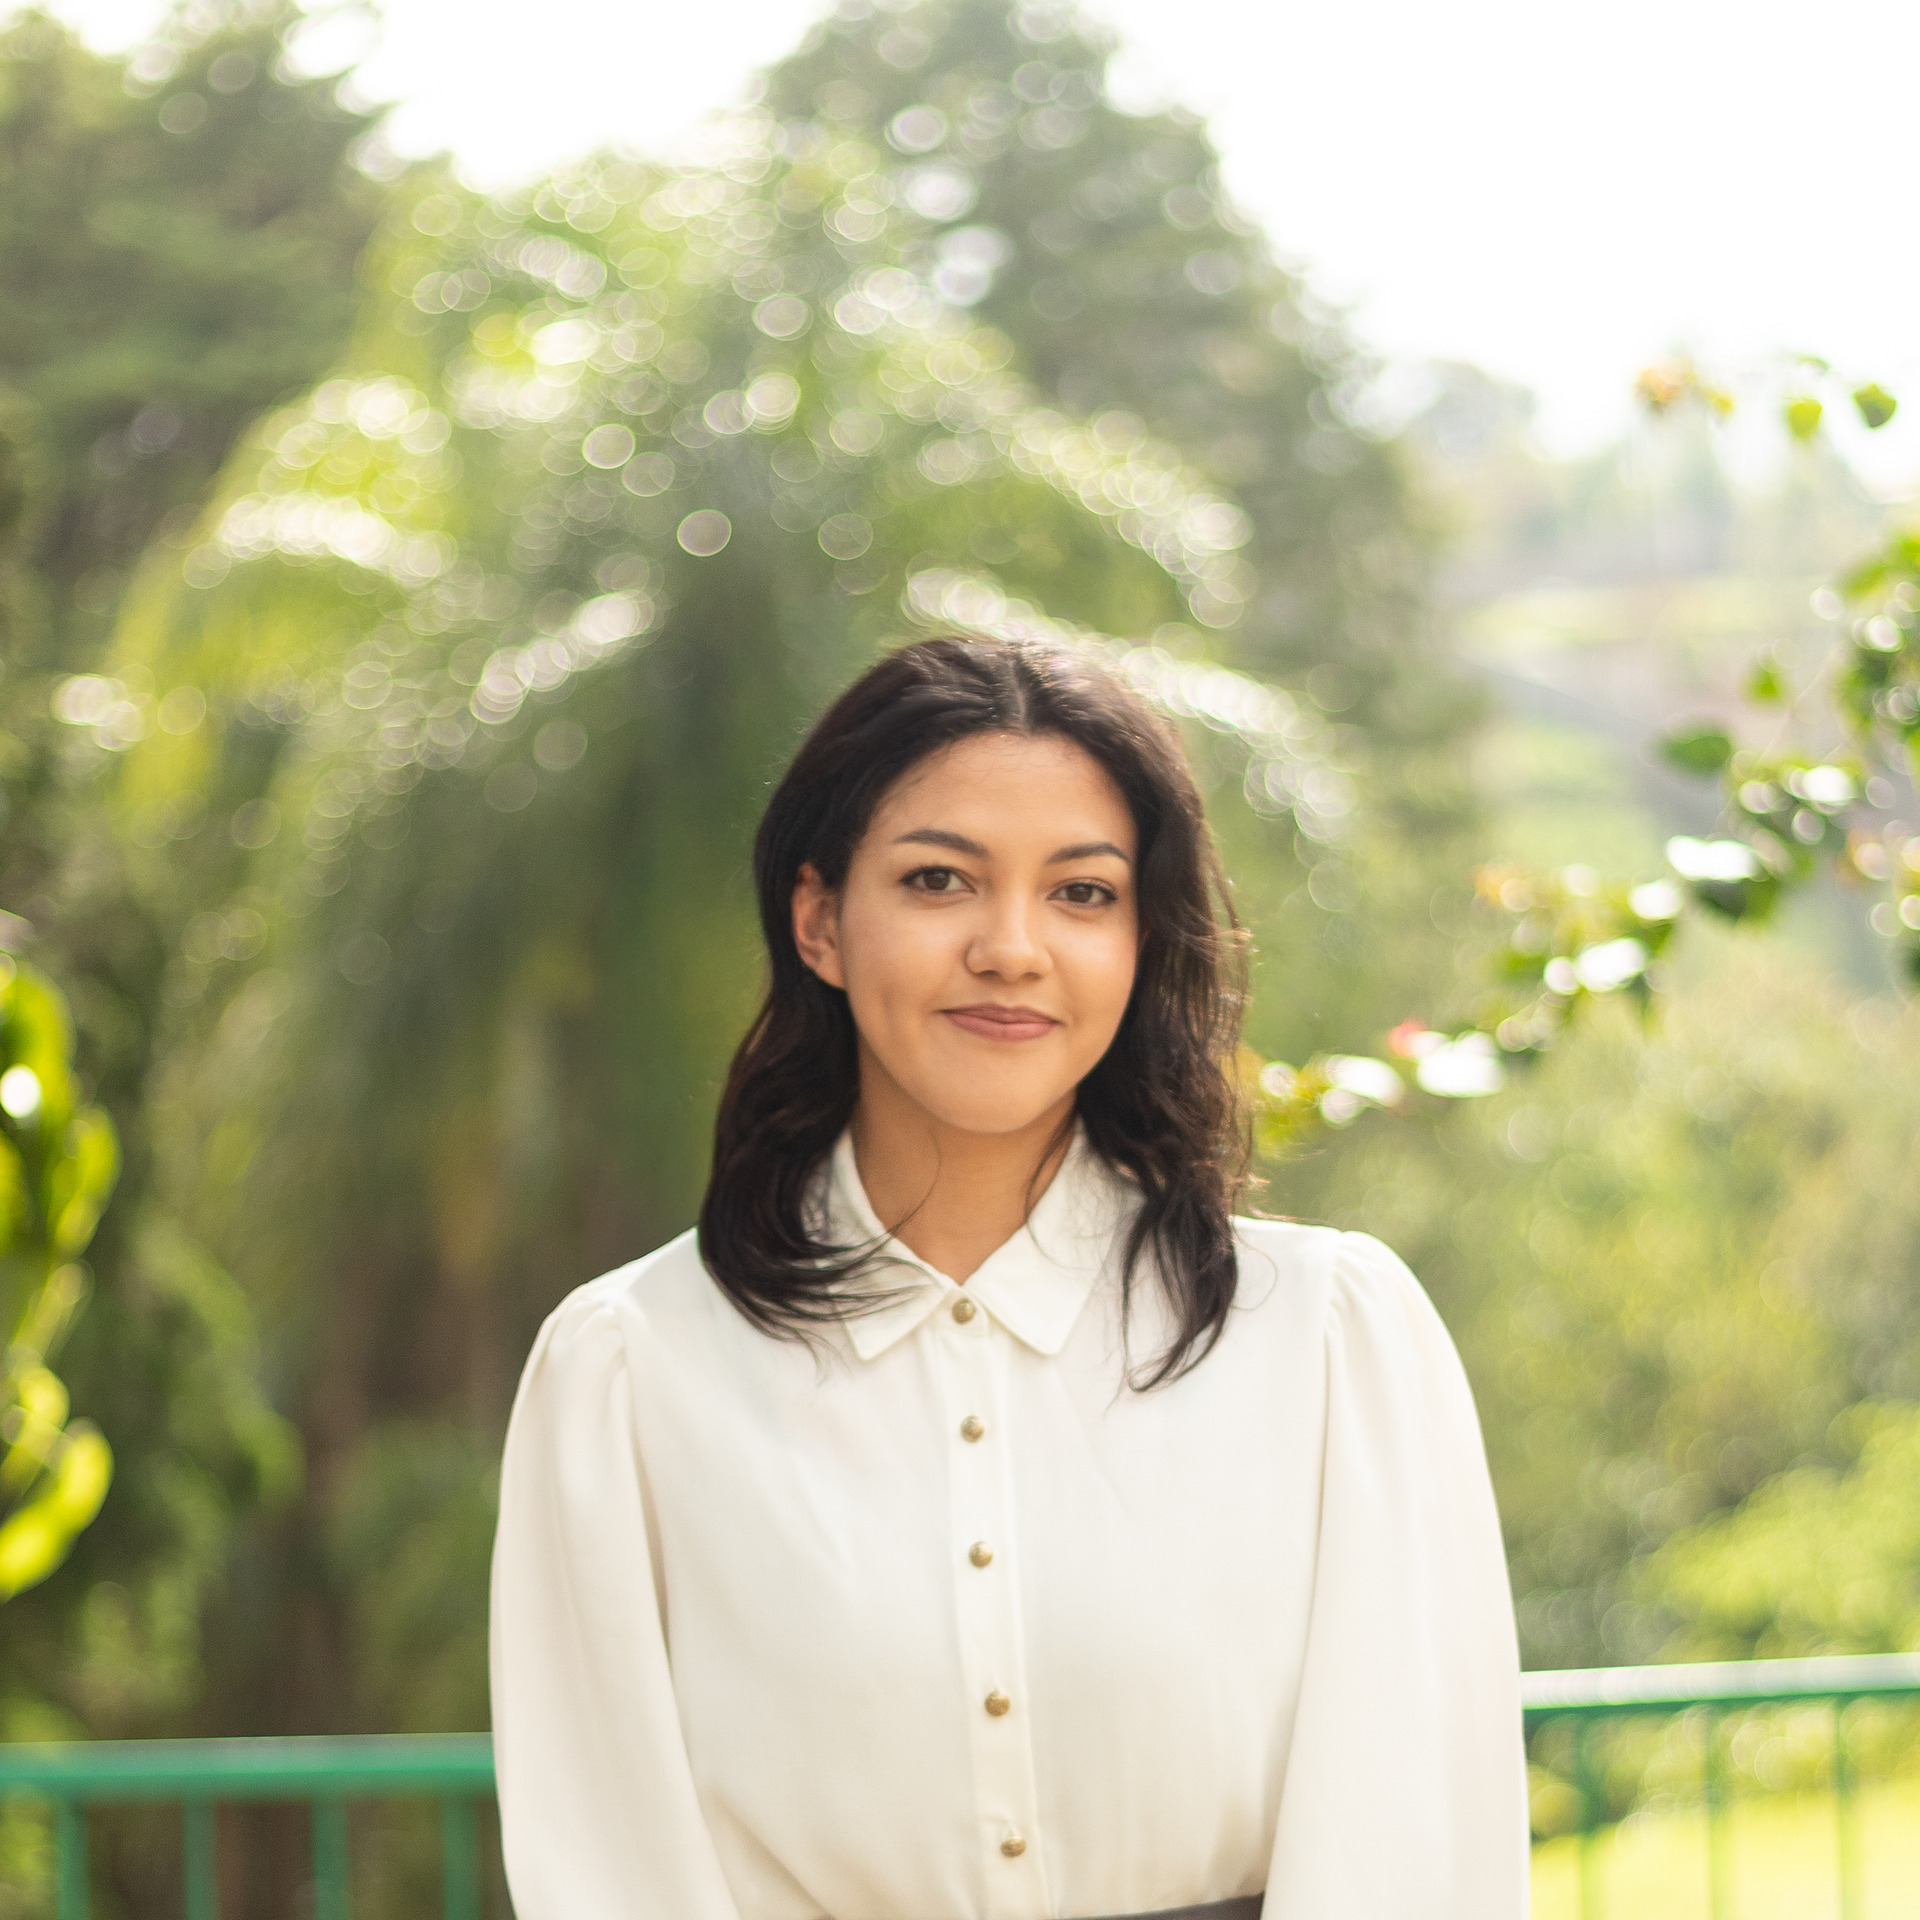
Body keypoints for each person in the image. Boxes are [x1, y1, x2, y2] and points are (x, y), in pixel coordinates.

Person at [489, 635, 1528, 1920]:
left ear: (1145, 939)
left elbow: (1412, 1850)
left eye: (1083, 894)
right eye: (939, 881)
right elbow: (609, 1870)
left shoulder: (1327, 1342)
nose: (1012, 947)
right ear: (818, 920)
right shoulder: (630, 1370)